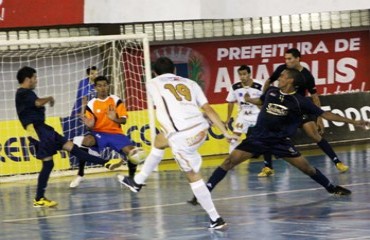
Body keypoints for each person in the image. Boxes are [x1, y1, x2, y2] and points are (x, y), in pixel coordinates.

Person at [190, 68, 369, 203]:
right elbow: (261, 101)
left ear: (290, 81)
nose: (279, 78)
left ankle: (331, 188)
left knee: (308, 169)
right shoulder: (272, 91)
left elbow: (325, 114)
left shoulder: (300, 102)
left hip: (280, 142)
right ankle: (204, 193)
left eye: (282, 76)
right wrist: (249, 100)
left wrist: (355, 122)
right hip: (257, 138)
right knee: (228, 162)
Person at [117, 57, 238, 230]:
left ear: (154, 73)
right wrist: (225, 132)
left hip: (183, 136)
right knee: (160, 141)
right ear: (175, 71)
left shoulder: (152, 83)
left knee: (193, 176)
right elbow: (209, 109)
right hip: (201, 129)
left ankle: (215, 219)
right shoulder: (191, 83)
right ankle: (138, 181)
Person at [15, 66, 122, 207]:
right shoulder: (24, 92)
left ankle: (106, 163)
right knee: (51, 161)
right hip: (38, 131)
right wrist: (50, 98)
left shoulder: (25, 93)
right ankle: (39, 198)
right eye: (35, 77)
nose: (36, 80)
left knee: (71, 148)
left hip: (43, 130)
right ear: (28, 79)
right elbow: (37, 102)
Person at [259, 48, 349, 176]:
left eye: (289, 59)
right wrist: (265, 100)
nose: (287, 61)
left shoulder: (306, 76)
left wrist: (319, 119)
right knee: (268, 131)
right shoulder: (282, 69)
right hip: (283, 108)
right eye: (285, 59)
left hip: (299, 109)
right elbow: (268, 81)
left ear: (297, 59)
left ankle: (337, 162)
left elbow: (315, 97)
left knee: (314, 135)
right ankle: (268, 167)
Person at [69, 76, 142, 188]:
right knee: (84, 141)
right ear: (95, 87)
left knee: (133, 152)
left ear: (108, 86)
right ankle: (80, 174)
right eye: (99, 86)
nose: (102, 88)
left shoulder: (116, 100)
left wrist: (115, 119)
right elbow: (90, 125)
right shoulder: (91, 104)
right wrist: (89, 126)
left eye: (105, 85)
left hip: (116, 134)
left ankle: (132, 179)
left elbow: (124, 120)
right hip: (99, 134)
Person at [225, 65, 273, 177]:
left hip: (257, 114)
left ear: (249, 74)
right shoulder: (235, 87)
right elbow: (230, 102)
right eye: (240, 74)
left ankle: (268, 166)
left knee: (265, 139)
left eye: (244, 74)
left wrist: (266, 115)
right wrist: (227, 118)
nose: (242, 77)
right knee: (234, 138)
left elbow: (266, 100)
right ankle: (231, 163)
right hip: (243, 114)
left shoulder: (259, 85)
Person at [68, 66, 98, 185]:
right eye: (93, 74)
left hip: (92, 117)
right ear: (88, 75)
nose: (95, 75)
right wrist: (83, 116)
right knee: (81, 142)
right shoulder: (84, 84)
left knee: (84, 142)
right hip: (81, 116)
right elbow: (83, 100)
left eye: (97, 73)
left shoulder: (98, 85)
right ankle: (80, 171)